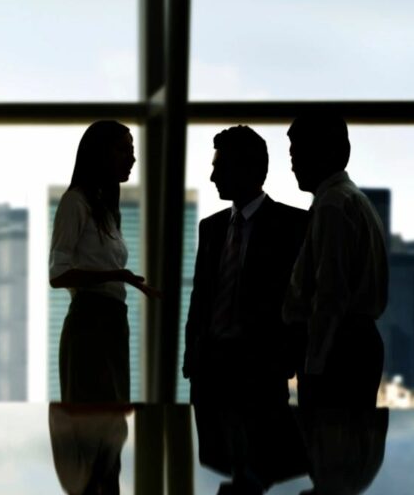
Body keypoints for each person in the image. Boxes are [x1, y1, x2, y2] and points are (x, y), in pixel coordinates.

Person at [184, 127, 310, 404]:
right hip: (209, 372)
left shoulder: (293, 226)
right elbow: (200, 298)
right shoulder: (211, 227)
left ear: (249, 169)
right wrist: (192, 360)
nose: (213, 176)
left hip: (262, 372)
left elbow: (300, 300)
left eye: (221, 167)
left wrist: (286, 360)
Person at [282, 112, 389, 408]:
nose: (292, 164)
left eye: (298, 153)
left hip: (338, 350)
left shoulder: (332, 205)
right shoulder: (354, 200)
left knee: (328, 444)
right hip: (353, 344)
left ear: (325, 153)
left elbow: (331, 293)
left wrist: (314, 364)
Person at [48, 121, 160, 403]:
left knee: (112, 421)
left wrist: (119, 277)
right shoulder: (75, 203)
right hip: (89, 324)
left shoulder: (106, 211)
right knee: (89, 423)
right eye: (123, 150)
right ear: (100, 153)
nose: (132, 158)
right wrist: (116, 275)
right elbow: (57, 274)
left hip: (113, 323)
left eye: (132, 151)